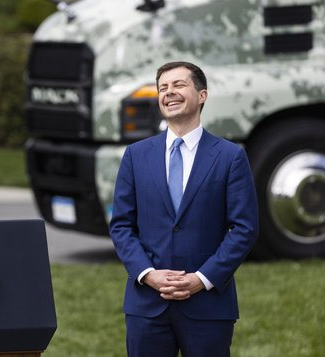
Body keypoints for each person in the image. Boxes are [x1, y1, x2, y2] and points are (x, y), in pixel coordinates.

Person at [109, 61, 258, 357]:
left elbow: (244, 228)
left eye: (178, 85)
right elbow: (121, 225)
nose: (169, 93)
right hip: (147, 305)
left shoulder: (230, 157)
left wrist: (200, 280)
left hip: (208, 305)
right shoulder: (136, 156)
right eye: (163, 88)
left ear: (202, 95)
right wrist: (147, 273)